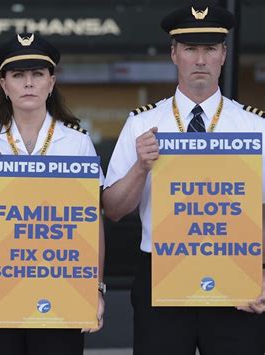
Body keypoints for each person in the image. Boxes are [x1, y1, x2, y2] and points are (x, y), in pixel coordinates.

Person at [102, 2, 265, 355]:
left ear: (223, 54)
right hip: (160, 272)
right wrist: (140, 168)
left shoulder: (255, 127)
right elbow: (112, 209)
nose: (201, 59)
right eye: (191, 49)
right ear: (174, 54)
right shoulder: (142, 124)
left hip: (237, 273)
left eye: (209, 49)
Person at [0, 33, 105, 355]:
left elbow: (92, 223)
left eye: (37, 74)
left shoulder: (76, 142)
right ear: (4, 85)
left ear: (52, 82)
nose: (29, 83)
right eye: (18, 75)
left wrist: (96, 287)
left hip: (61, 273)